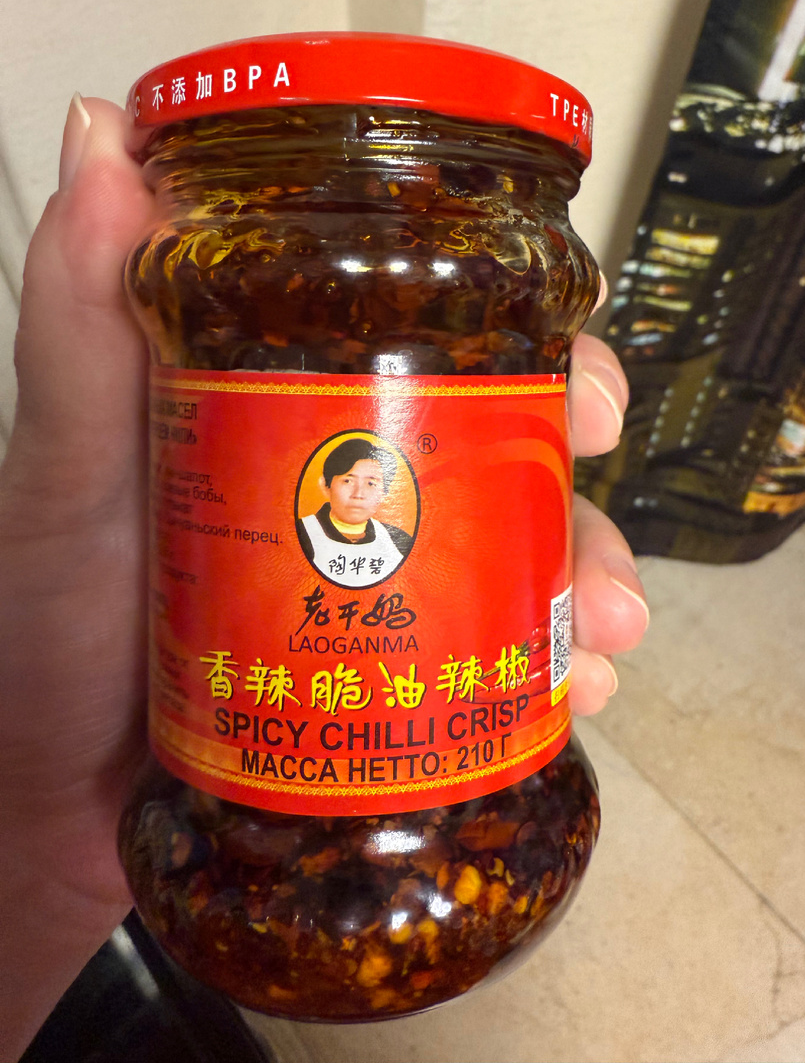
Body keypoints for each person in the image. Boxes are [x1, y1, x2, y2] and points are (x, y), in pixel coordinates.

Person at [0, 96, 650, 1061]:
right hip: (220, 839)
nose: (364, 487)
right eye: (350, 479)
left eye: (377, 481)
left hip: (474, 816)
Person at [297, 438, 413, 585]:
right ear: (326, 485)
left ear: (385, 493)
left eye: (371, 483)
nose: (358, 494)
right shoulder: (301, 533)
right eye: (348, 481)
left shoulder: (397, 541)